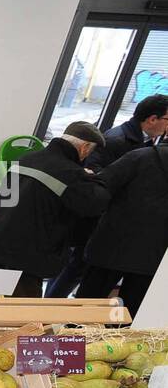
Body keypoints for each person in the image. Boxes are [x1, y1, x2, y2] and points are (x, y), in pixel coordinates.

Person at [48, 94, 168, 298]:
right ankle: (50, 309)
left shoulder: (145, 147)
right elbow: (94, 175)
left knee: (84, 282)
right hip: (102, 225)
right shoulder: (117, 139)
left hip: (117, 237)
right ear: (152, 119)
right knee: (74, 271)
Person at [0, 122, 108, 298]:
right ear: (85, 147)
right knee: (20, 318)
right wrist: (93, 180)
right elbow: (93, 206)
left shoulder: (26, 159)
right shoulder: (71, 174)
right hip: (26, 259)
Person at [77, 142, 168, 316]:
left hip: (111, 246)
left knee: (85, 311)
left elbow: (101, 187)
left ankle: (73, 343)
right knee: (128, 317)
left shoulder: (139, 157)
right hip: (153, 257)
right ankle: (113, 344)